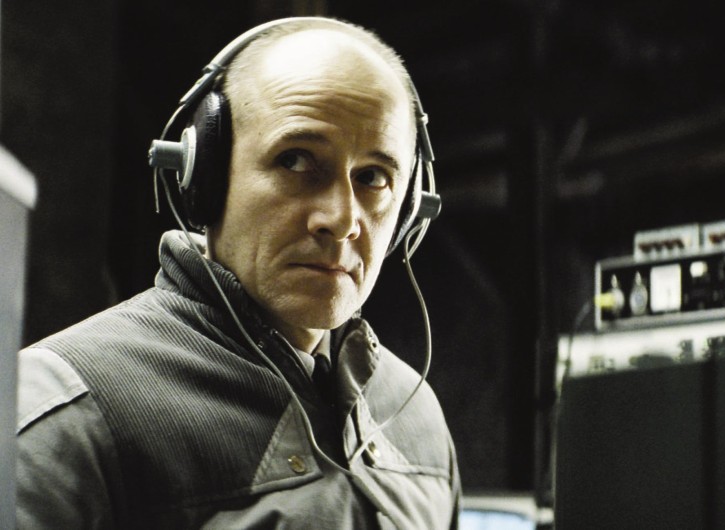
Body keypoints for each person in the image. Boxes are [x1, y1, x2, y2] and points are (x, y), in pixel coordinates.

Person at [16, 16, 460, 529]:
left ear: (410, 211)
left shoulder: (417, 418)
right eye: (296, 161)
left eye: (374, 177)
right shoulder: (66, 414)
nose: (341, 220)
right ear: (203, 175)